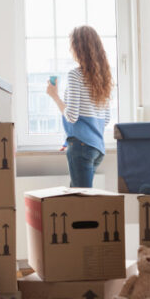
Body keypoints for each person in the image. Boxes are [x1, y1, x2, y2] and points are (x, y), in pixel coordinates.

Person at [46, 25, 113, 188]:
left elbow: (72, 116)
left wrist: (54, 96)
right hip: (97, 148)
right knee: (77, 199)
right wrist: (71, 137)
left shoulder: (75, 75)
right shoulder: (104, 78)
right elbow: (105, 120)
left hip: (81, 148)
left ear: (78, 48)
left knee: (81, 202)